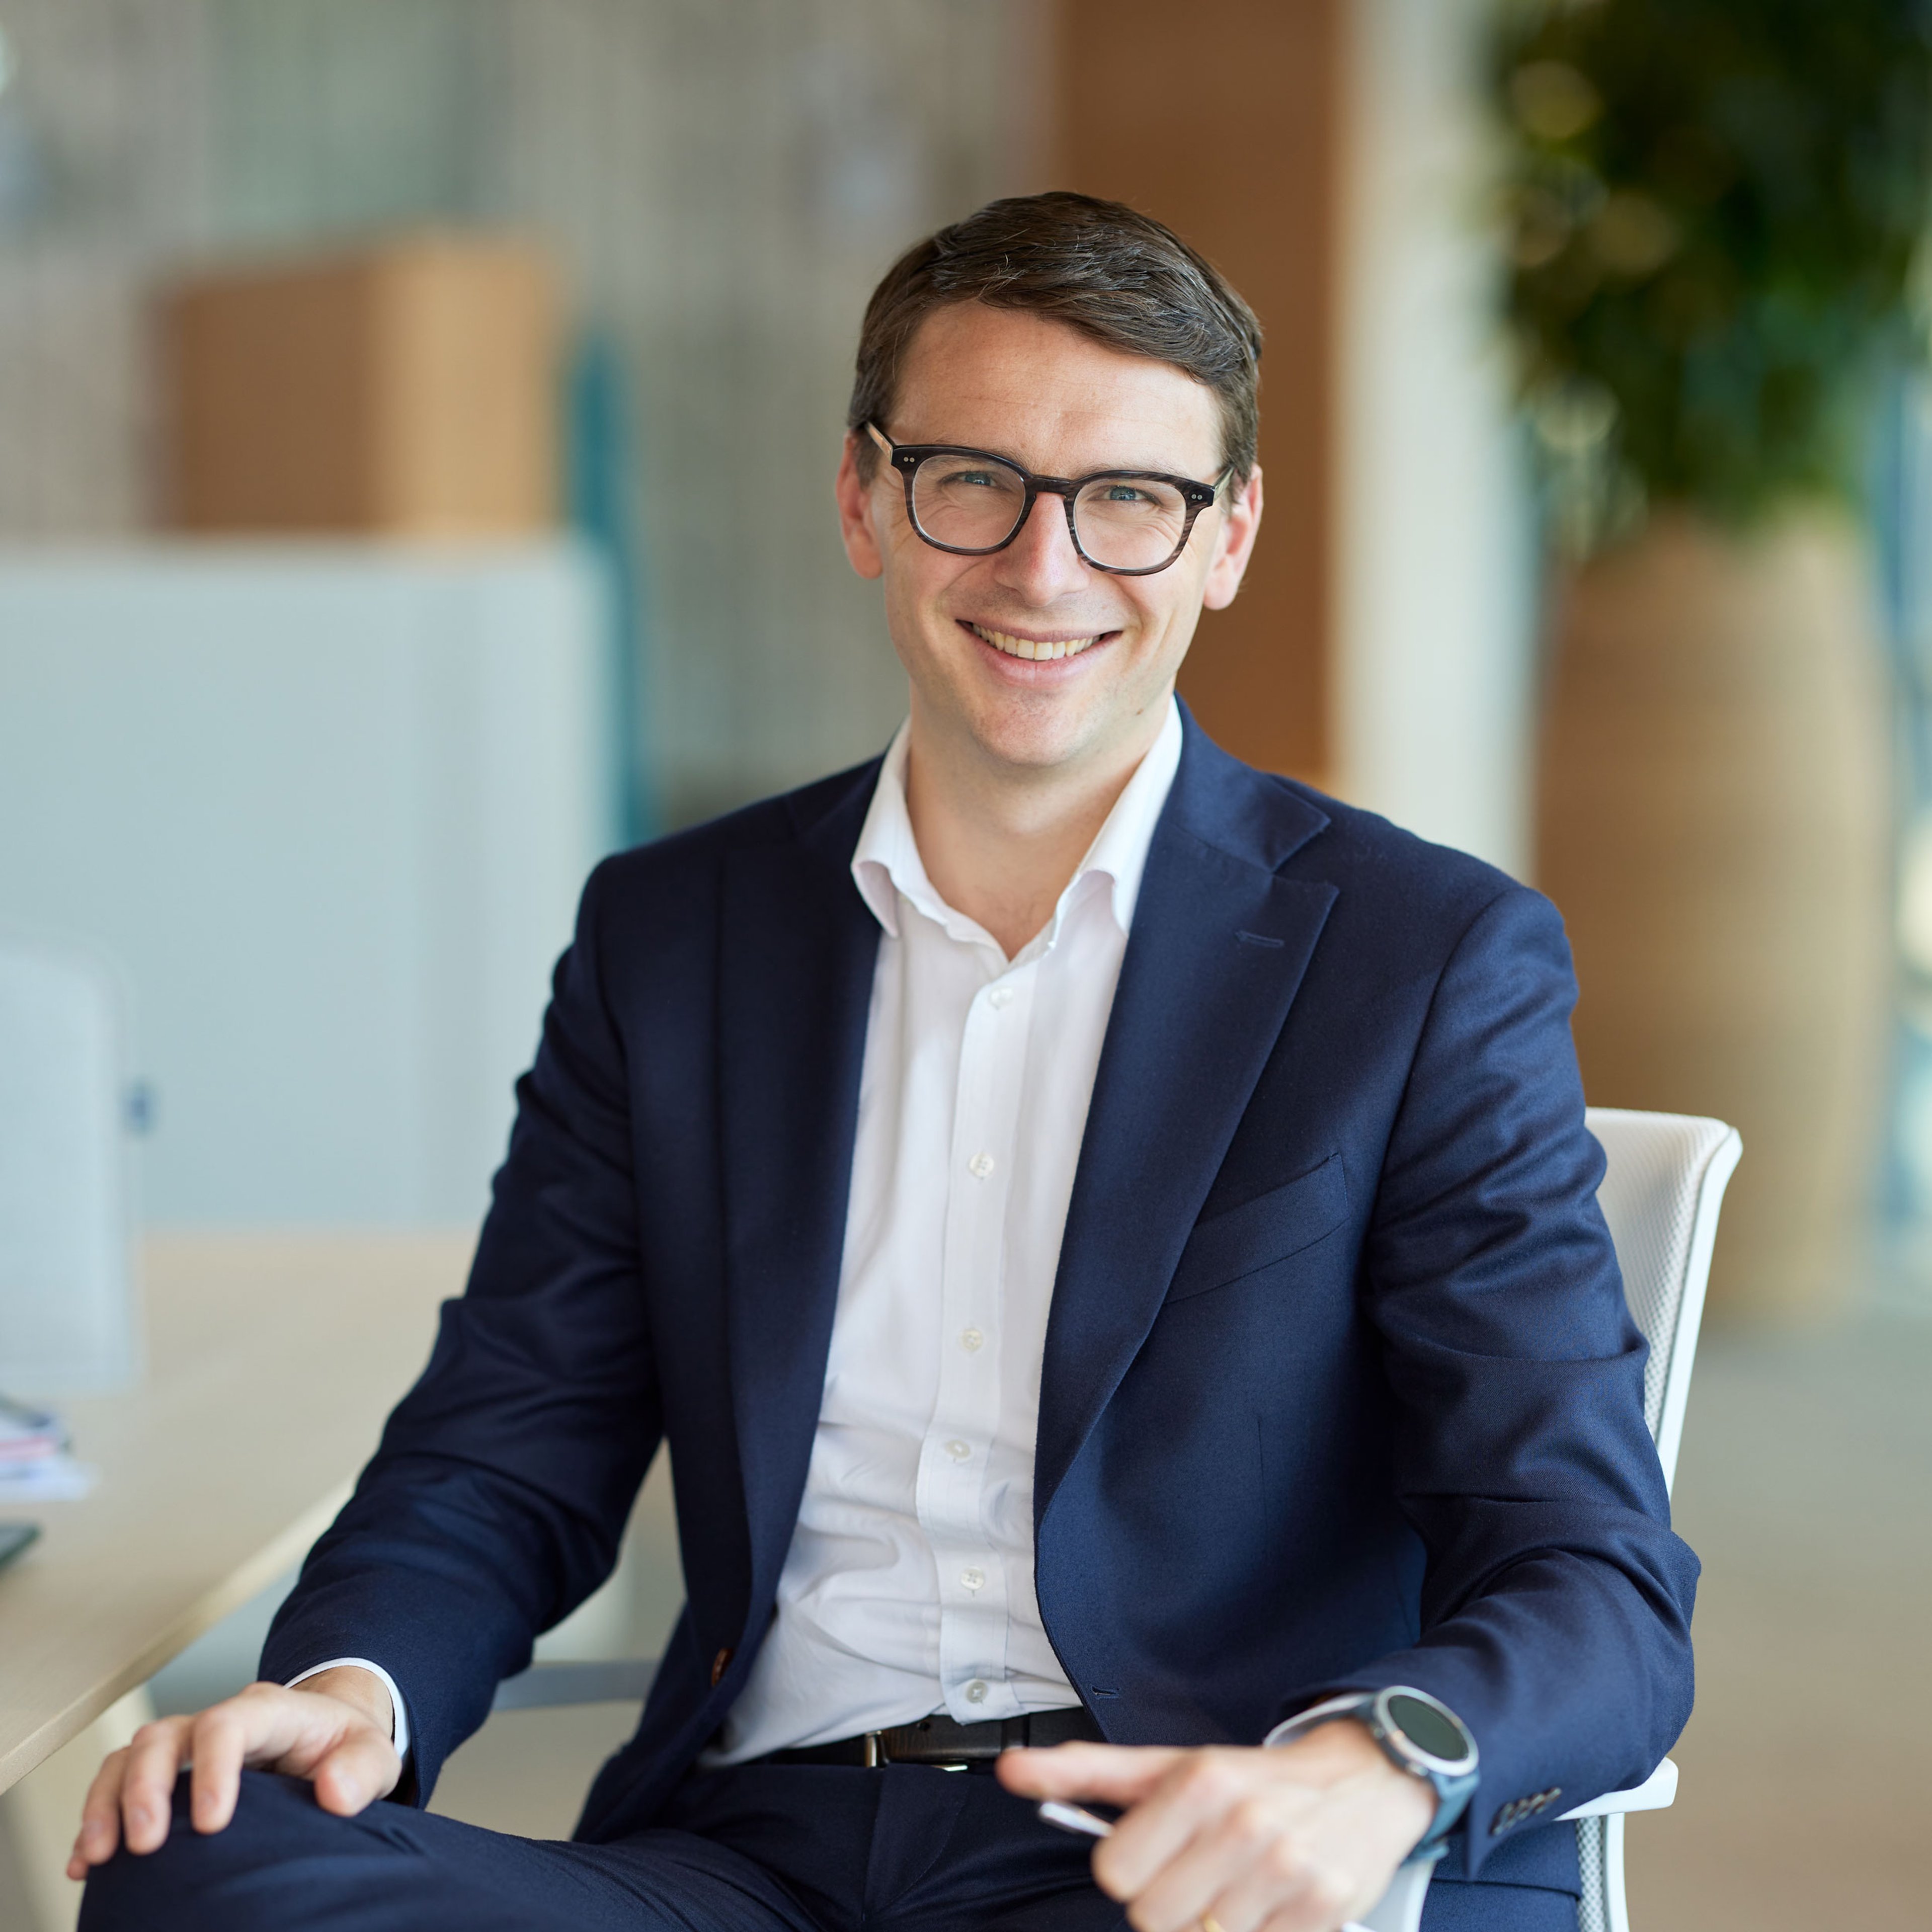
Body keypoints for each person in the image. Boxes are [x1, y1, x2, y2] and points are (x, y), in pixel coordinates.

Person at [71, 193, 1696, 1932]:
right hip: (750, 1861)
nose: (1043, 568)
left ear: (1226, 539)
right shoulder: (673, 935)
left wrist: (1378, 1763)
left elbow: (1593, 1578)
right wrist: (348, 1694)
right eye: (971, 480)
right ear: (864, 498)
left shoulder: (1421, 958)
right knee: (205, 1862)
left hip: (1173, 1858)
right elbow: (507, 1444)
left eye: (1129, 501)